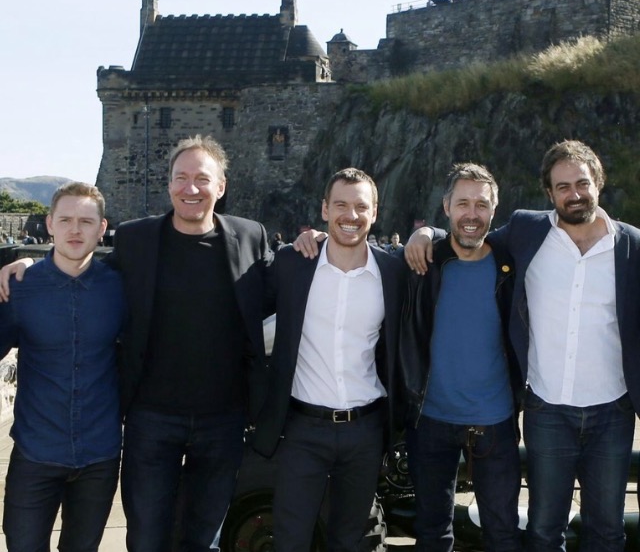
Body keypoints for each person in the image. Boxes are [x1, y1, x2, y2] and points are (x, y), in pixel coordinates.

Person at [0, 135, 274, 551]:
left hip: (223, 420)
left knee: (204, 539)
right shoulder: (137, 239)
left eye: (202, 179)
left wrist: (319, 243)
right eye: (181, 178)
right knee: (146, 539)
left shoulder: (251, 236)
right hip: (151, 420)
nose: (191, 188)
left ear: (221, 186)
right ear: (169, 185)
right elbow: (79, 265)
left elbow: (285, 282)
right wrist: (27, 264)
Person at [404, 140, 640, 552]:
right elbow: (468, 235)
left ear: (598, 184)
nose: (574, 193)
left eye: (581, 183)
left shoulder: (631, 246)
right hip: (546, 410)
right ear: (548, 194)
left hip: (613, 413)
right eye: (562, 186)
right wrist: (425, 232)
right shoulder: (528, 231)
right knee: (544, 532)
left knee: (607, 531)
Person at [253, 168, 406, 552]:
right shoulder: (293, 264)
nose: (350, 216)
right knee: (290, 539)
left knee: (351, 541)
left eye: (360, 207)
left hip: (366, 432)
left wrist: (427, 233)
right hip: (303, 431)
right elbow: (242, 315)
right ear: (324, 209)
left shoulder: (394, 272)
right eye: (340, 205)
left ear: (375, 213)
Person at [400, 163, 523, 552]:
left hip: (496, 423)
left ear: (495, 210)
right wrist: (423, 234)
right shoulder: (423, 264)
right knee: (433, 534)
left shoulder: (512, 263)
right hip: (431, 420)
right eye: (463, 203)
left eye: (482, 205)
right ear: (446, 207)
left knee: (503, 532)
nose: (472, 214)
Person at [0, 182, 126, 552]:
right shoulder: (19, 288)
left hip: (99, 454)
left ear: (102, 228)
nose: (75, 230)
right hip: (36, 451)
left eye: (86, 221)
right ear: (49, 224)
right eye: (66, 220)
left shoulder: (121, 288)